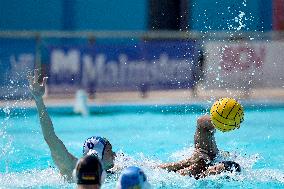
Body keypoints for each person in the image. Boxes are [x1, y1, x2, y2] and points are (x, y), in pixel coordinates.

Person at [28, 71, 115, 181]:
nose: (114, 154)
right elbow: (50, 137)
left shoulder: (115, 173)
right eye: (109, 151)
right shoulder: (72, 168)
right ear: (98, 154)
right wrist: (39, 100)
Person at [159, 115, 241, 179]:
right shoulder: (203, 164)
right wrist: (221, 120)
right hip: (209, 156)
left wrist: (188, 162)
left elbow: (172, 174)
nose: (212, 170)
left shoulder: (197, 176)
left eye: (216, 171)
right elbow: (201, 121)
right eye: (215, 168)